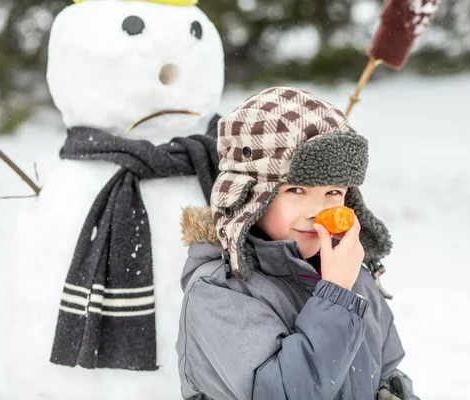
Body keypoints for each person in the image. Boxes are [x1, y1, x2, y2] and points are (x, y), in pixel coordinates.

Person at [176, 87, 418, 400]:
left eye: (334, 193)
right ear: (249, 195)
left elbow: (385, 369)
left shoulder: (351, 275)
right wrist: (337, 296)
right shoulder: (218, 291)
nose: (318, 214)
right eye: (296, 191)